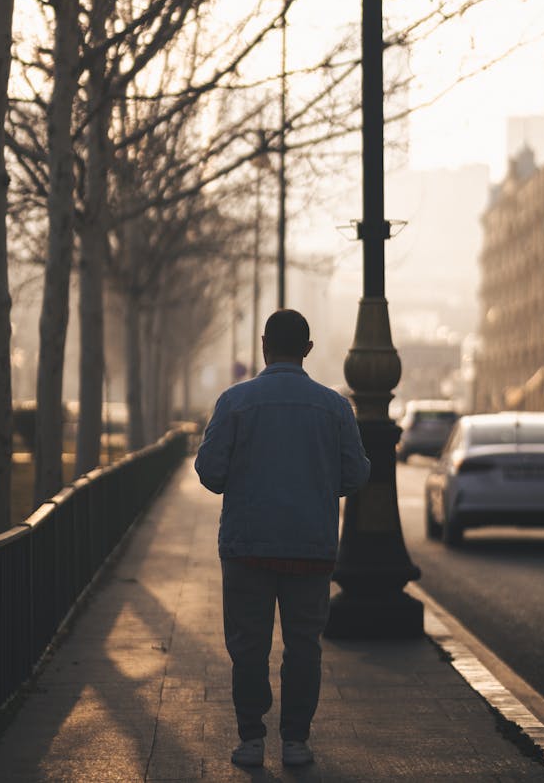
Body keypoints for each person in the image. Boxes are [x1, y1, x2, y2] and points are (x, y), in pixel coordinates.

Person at [194, 308, 371, 768]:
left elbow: (210, 474)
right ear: (308, 350)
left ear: (264, 345)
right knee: (304, 646)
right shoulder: (335, 407)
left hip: (247, 547)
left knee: (248, 646)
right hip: (310, 546)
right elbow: (355, 475)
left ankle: (251, 739)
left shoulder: (235, 402)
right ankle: (296, 740)